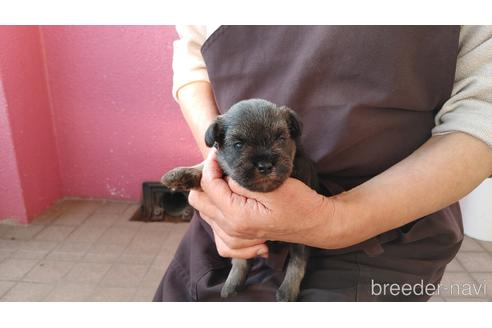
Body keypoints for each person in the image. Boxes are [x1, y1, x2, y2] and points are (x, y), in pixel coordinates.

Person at [154, 25, 492, 301]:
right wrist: (220, 173)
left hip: (386, 224)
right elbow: (193, 55)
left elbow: (482, 108)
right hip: (229, 217)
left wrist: (336, 220)